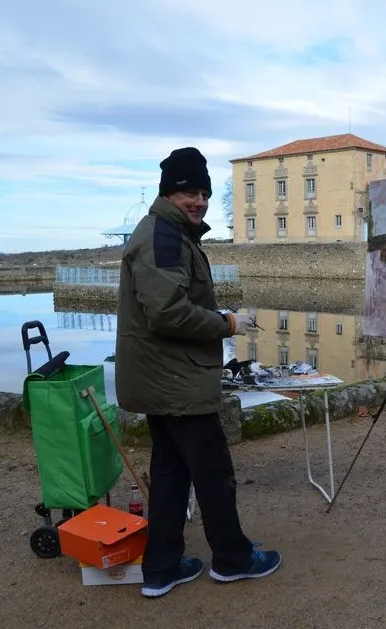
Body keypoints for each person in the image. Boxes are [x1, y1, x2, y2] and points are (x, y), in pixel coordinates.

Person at [115, 147, 282, 598]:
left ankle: (162, 567)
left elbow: (170, 303)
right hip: (177, 381)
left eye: (204, 193)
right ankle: (233, 559)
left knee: (171, 473)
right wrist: (228, 323)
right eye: (190, 192)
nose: (200, 201)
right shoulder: (163, 237)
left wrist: (218, 318)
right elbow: (167, 313)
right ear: (169, 193)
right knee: (213, 473)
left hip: (162, 377)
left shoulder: (169, 233)